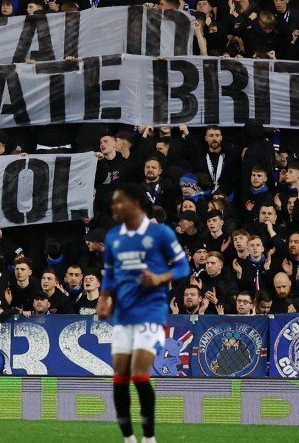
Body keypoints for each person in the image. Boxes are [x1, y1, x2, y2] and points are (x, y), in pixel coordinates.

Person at [97, 184, 190, 443]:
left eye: (120, 202)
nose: (115, 207)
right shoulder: (114, 236)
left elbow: (183, 267)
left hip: (151, 311)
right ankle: (128, 438)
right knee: (119, 375)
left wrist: (160, 277)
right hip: (123, 314)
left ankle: (149, 437)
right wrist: (104, 298)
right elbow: (111, 274)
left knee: (139, 374)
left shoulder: (160, 233)